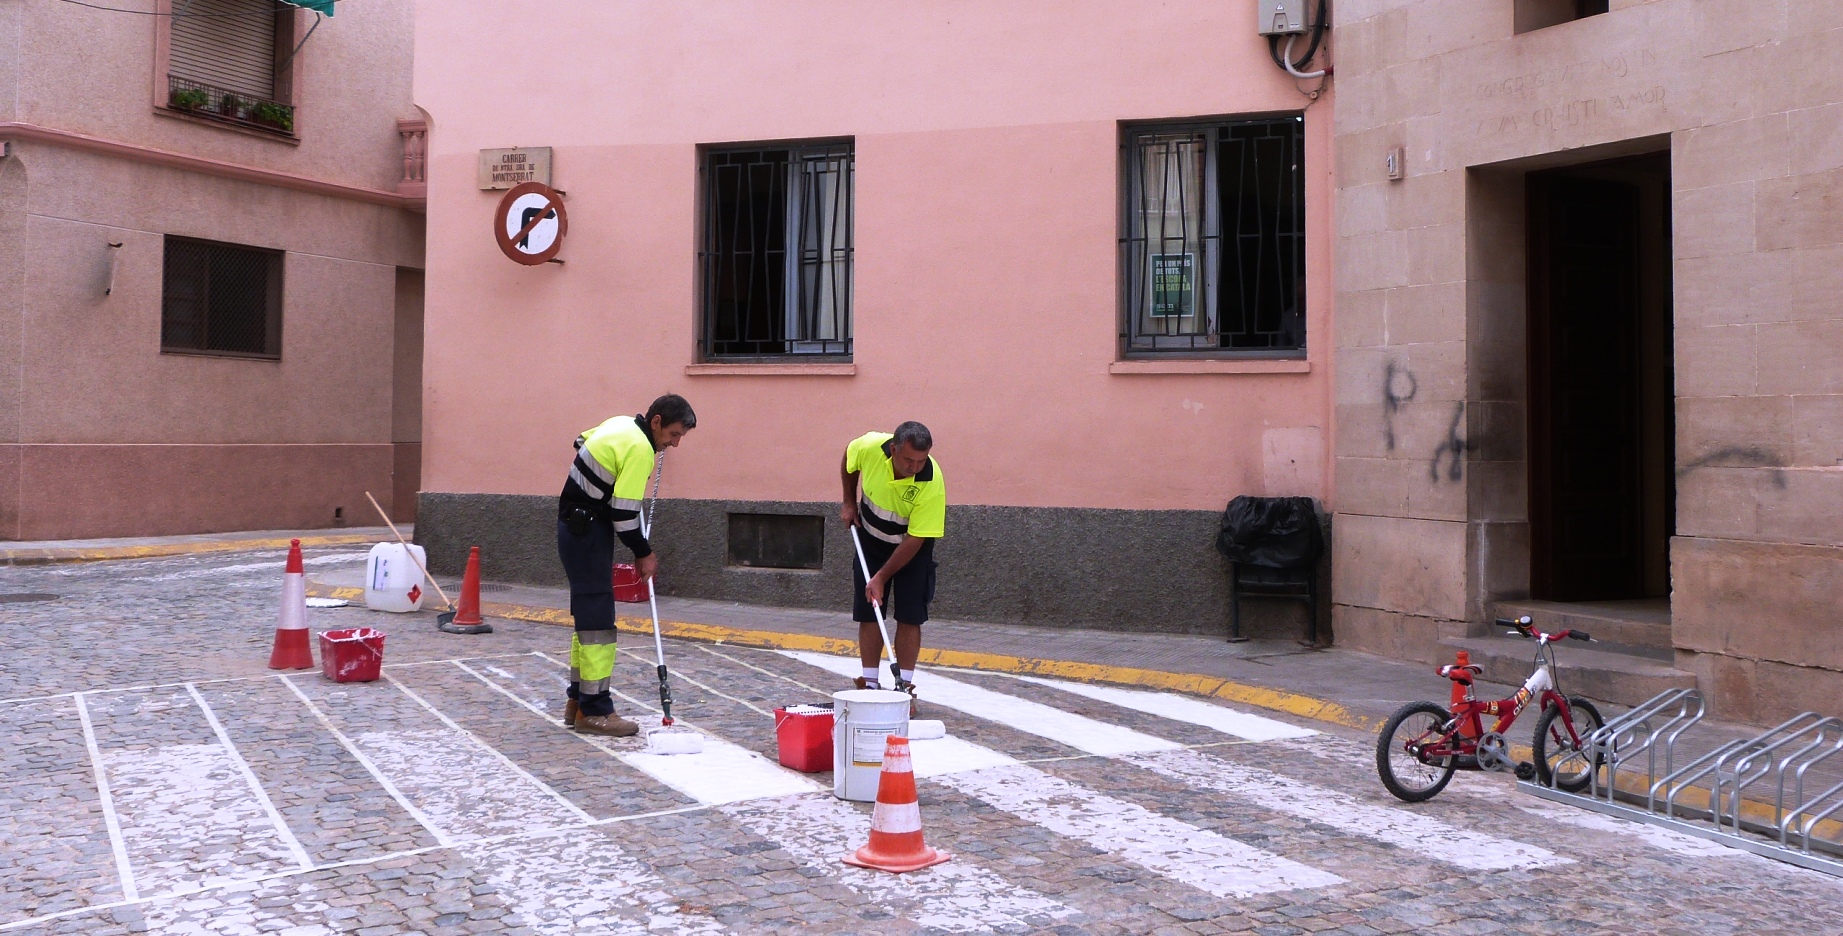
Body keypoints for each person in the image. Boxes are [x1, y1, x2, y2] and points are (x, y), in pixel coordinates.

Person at [556, 394, 696, 736]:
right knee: (598, 626)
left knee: (588, 621)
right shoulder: (639, 449)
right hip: (587, 530)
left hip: (578, 526)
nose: (675, 444)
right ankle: (595, 709)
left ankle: (577, 701)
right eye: (674, 434)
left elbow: (581, 440)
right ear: (657, 421)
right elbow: (624, 512)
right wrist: (643, 552)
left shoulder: (621, 425)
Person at [839, 421, 945, 704]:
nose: (915, 467)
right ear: (893, 449)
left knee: (911, 614)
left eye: (921, 460)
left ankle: (904, 688)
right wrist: (849, 502)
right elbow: (849, 459)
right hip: (870, 539)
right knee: (870, 610)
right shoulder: (871, 446)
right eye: (909, 459)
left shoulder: (931, 481)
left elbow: (915, 539)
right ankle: (870, 684)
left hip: (911, 547)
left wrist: (881, 578)